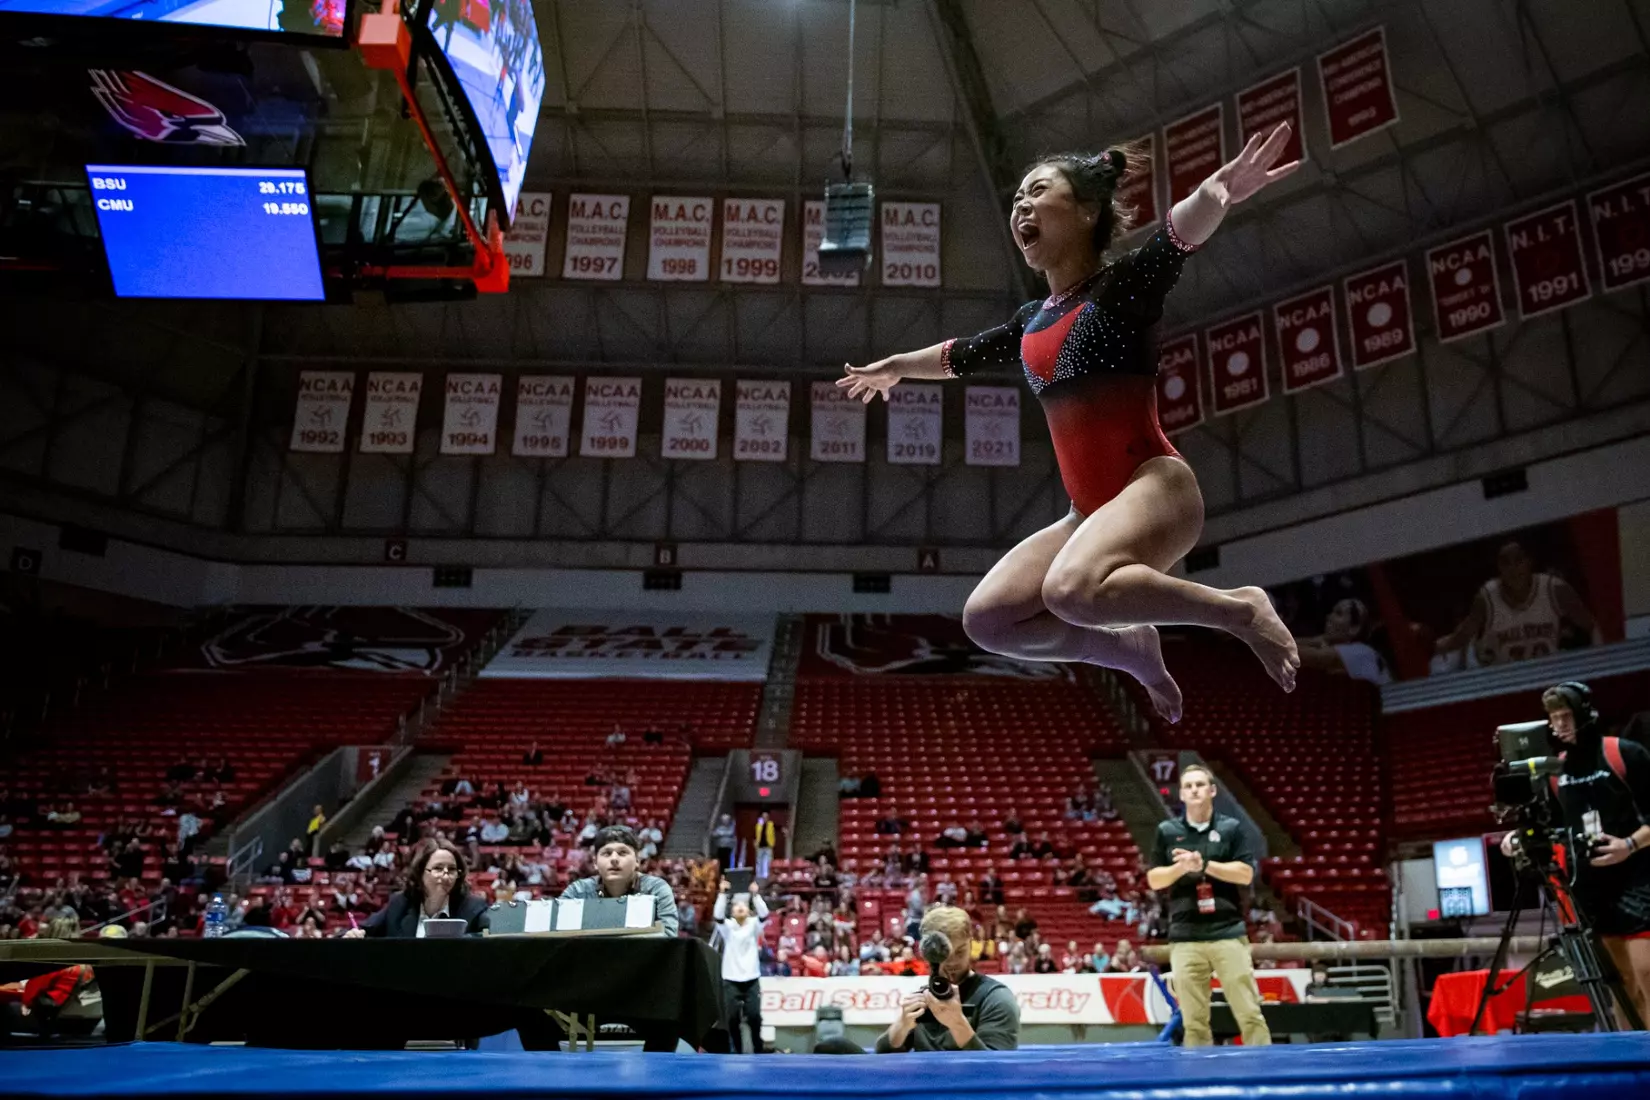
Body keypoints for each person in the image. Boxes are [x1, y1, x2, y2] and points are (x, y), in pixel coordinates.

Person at [838, 124, 1304, 724]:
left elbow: (1177, 235)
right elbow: (959, 354)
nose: (1020, 206)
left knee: (1069, 591)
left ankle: (1239, 609)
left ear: (1086, 211)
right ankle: (1125, 647)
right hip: (1088, 512)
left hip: (1154, 487)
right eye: (1015, 201)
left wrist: (1219, 189)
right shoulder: (1033, 318)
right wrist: (896, 368)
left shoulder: (1123, 288)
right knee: (989, 620)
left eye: (1036, 192)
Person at [1500, 681, 1650, 1027]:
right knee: (1620, 988)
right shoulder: (1556, 771)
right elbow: (1547, 824)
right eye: (1554, 718)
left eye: (1566, 716)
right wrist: (1517, 837)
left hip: (1639, 882)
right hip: (1591, 892)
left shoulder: (1623, 753)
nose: (1560, 725)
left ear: (1585, 713)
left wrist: (1628, 846)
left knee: (1646, 976)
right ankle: (1630, 1065)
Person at [1148, 764, 1270, 1047]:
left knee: (1250, 1014)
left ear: (1212, 790)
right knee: (1194, 1023)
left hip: (1228, 931)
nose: (1194, 790)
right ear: (1181, 793)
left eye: (1200, 784)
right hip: (1185, 936)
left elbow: (1246, 873)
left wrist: (1205, 865)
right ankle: (1198, 1083)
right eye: (1188, 786)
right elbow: (1154, 879)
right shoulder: (1167, 831)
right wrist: (1181, 868)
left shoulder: (1231, 828)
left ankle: (1265, 1077)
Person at [873, 905, 1020, 1052]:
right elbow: (883, 1057)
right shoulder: (925, 997)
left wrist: (958, 1025)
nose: (952, 962)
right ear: (926, 951)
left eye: (960, 951)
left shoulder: (996, 998)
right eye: (944, 954)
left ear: (970, 943)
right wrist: (903, 1024)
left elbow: (998, 1069)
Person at [1437, 541, 1601, 669]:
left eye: (1519, 561)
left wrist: (1599, 665)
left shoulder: (1555, 589)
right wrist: (1434, 647)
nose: (1513, 569)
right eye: (1506, 563)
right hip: (1502, 679)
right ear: (1498, 567)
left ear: (1529, 561)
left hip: (1547, 675)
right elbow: (1461, 637)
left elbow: (1592, 626)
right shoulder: (1487, 597)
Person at [345, 839, 489, 938]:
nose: (446, 877)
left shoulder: (473, 907)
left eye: (451, 870)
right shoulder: (399, 904)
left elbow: (492, 936)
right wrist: (352, 935)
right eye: (438, 869)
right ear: (420, 873)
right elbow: (362, 930)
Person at [557, 826, 679, 936]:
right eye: (607, 853)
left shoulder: (657, 890)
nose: (614, 859)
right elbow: (556, 934)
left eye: (622, 853)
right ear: (595, 863)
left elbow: (668, 938)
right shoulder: (577, 891)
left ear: (637, 860)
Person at [713, 878, 770, 1053]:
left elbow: (765, 914)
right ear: (731, 911)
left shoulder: (754, 926)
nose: (740, 907)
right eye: (736, 905)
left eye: (744, 905)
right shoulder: (727, 928)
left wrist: (755, 895)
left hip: (751, 978)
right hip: (731, 979)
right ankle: (737, 1051)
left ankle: (758, 1050)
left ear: (748, 910)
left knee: (754, 1016)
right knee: (731, 1019)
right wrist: (722, 894)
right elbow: (718, 916)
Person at [1294, 597, 1391, 685]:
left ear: (1354, 628)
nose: (1329, 617)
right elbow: (1307, 642)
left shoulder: (1360, 651)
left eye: (1338, 613)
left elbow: (1315, 657)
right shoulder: (1348, 647)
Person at [753, 813, 775, 880]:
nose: (765, 818)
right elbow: (755, 834)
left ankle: (769, 874)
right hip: (760, 846)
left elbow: (777, 828)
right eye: (763, 817)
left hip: (768, 845)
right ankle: (759, 875)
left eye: (766, 817)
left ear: (768, 817)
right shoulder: (758, 825)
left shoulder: (771, 824)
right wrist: (755, 842)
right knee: (759, 861)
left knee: (769, 861)